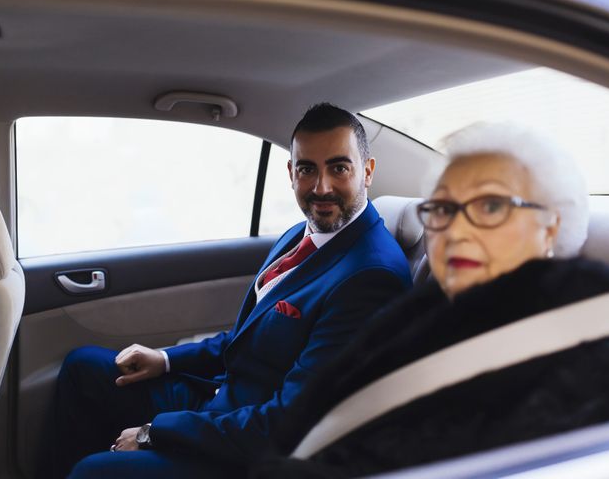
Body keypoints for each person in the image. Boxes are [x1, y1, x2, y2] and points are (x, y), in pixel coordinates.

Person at [50, 103, 412, 479]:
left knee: (93, 473)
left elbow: (290, 423)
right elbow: (247, 338)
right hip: (223, 399)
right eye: (307, 169)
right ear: (291, 173)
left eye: (339, 167)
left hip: (252, 446)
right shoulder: (300, 234)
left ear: (367, 172)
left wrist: (153, 433)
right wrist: (166, 359)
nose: (321, 187)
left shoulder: (371, 276)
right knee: (84, 368)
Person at [253, 122, 609, 478]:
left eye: (490, 207)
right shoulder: (419, 315)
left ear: (551, 225)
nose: (456, 231)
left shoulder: (589, 355)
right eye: (443, 210)